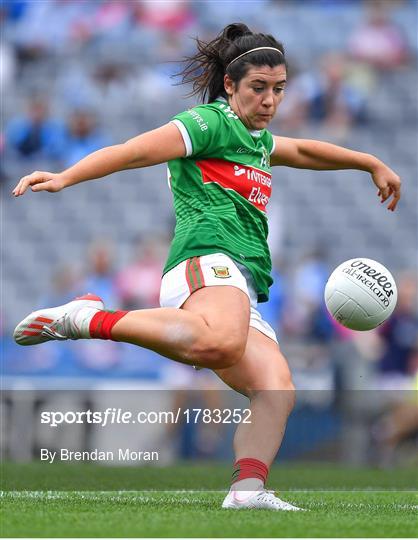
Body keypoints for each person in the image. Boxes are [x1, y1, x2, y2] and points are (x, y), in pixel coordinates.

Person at [12, 23, 401, 511]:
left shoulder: (255, 139)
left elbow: (301, 149)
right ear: (230, 86)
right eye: (258, 88)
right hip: (206, 258)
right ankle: (87, 318)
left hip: (240, 276)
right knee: (220, 341)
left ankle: (247, 491)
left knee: (275, 387)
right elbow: (133, 151)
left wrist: (369, 161)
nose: (269, 101)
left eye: (278, 89)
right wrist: (67, 176)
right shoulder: (209, 123)